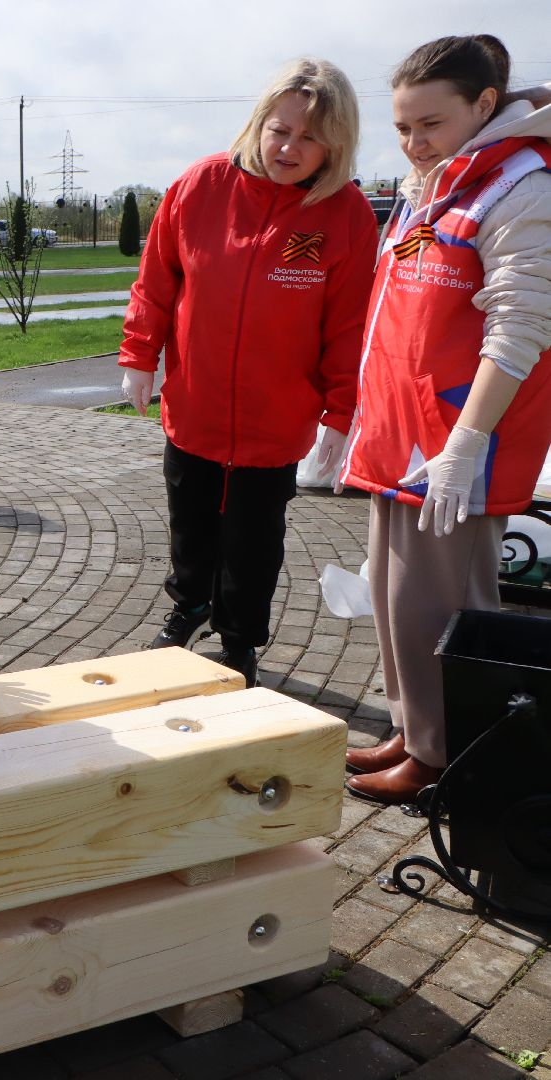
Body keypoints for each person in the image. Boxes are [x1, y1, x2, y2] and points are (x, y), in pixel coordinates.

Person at [339, 36, 551, 804]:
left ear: (484, 106)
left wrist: (468, 441)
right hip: (402, 435)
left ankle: (448, 756)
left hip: (459, 443)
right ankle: (414, 728)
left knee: (446, 606)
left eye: (428, 123)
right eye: (401, 126)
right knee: (399, 598)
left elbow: (521, 325)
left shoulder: (522, 186)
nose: (412, 140)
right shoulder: (438, 180)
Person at [119, 58, 378, 687]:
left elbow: (349, 327)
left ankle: (239, 640)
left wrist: (341, 414)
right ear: (258, 123)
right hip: (196, 403)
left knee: (254, 539)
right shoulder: (201, 185)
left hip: (275, 419)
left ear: (335, 146)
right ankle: (190, 604)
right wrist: (138, 356)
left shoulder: (344, 215)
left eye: (310, 137)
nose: (289, 147)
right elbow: (156, 281)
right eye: (279, 129)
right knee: (191, 517)